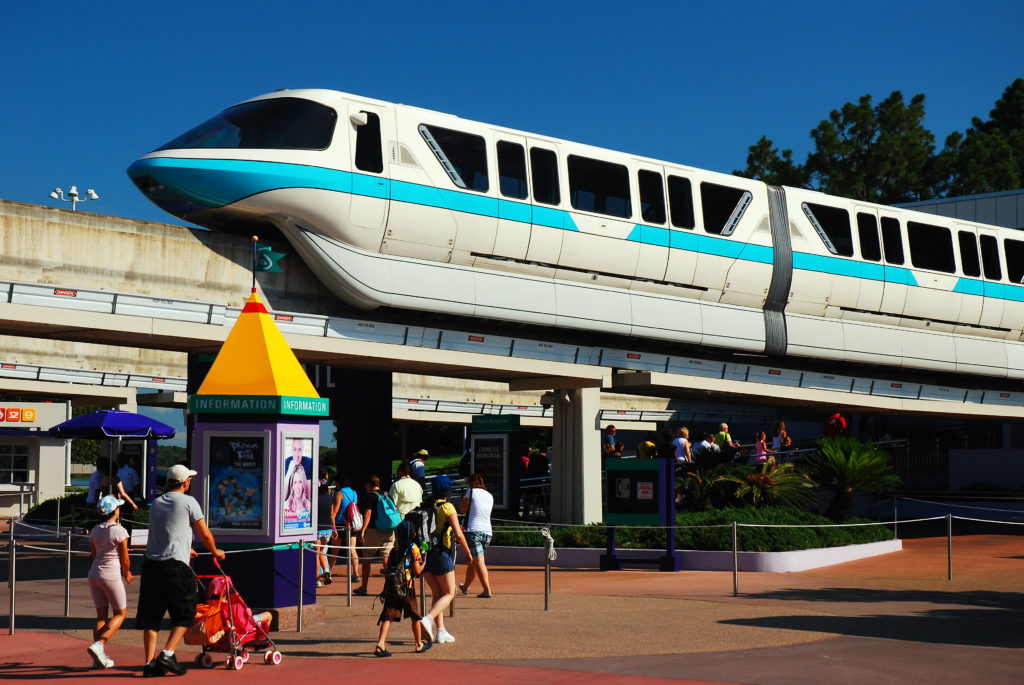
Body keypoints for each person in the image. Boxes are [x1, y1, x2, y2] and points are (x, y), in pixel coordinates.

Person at [135, 464, 225, 677]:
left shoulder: (156, 503)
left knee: (151, 618)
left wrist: (187, 548)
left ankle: (149, 664)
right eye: (189, 480)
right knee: (186, 614)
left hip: (151, 566)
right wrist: (215, 551)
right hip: (175, 568)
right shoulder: (189, 502)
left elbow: (166, 532)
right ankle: (167, 653)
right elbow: (204, 533)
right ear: (185, 482)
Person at [419, 475, 472, 645]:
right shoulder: (447, 507)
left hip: (425, 554)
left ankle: (441, 631)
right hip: (441, 553)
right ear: (448, 491)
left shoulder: (426, 505)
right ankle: (428, 619)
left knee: (437, 593)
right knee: (450, 592)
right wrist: (467, 551)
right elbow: (458, 533)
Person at [86, 494, 133, 670]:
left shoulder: (95, 530)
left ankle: (98, 655)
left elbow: (93, 554)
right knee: (120, 614)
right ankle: (99, 645)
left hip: (94, 574)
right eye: (118, 507)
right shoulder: (120, 530)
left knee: (101, 616)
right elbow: (125, 559)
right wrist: (127, 573)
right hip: (111, 574)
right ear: (115, 511)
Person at [373, 520, 431, 657]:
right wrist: (424, 561)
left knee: (388, 615)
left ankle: (380, 644)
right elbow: (417, 571)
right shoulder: (413, 548)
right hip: (407, 586)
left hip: (393, 587)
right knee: (414, 615)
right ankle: (418, 644)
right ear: (413, 534)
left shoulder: (395, 548)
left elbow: (387, 567)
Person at [353, 475, 395, 596]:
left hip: (374, 531)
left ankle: (364, 587)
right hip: (389, 530)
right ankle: (389, 588)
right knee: (386, 560)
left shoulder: (370, 496)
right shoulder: (387, 494)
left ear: (368, 484)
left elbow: (368, 514)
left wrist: (363, 530)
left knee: (366, 558)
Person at [458, 473, 494, 598]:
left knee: (479, 562)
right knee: (474, 561)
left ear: (471, 483)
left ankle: (487, 590)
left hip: (474, 530)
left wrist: (464, 500)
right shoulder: (489, 495)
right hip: (488, 532)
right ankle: (466, 586)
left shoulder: (471, 491)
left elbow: (462, 509)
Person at [330, 474, 360, 582]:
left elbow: (334, 511)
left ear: (339, 483)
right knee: (353, 549)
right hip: (351, 524)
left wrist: (333, 527)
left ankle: (329, 572)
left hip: (339, 524)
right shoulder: (354, 492)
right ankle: (356, 573)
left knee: (335, 551)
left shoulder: (339, 494)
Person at [315, 478, 335, 587]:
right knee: (322, 551)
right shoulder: (329, 498)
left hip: (318, 528)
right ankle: (327, 571)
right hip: (328, 528)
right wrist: (334, 529)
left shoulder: (315, 498)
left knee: (316, 554)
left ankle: (317, 579)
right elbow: (332, 514)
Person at [85, 461, 110, 532]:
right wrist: (96, 506)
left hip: (89, 501)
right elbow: (97, 491)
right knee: (93, 524)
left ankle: (76, 538)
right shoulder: (99, 476)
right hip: (94, 503)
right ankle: (76, 538)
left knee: (91, 524)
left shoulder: (94, 474)